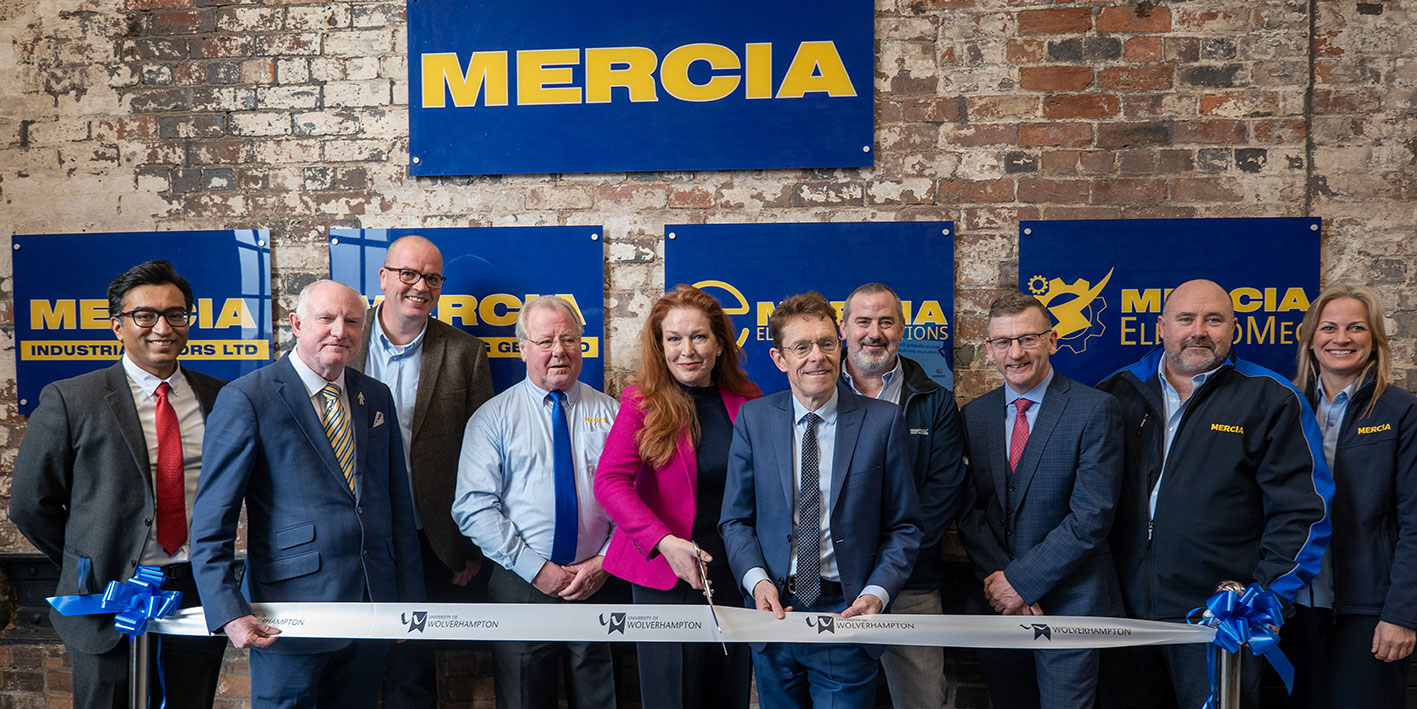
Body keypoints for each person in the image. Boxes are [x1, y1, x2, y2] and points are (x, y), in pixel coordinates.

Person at [1096, 279, 1332, 708]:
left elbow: (1303, 511)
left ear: (1234, 329)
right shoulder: (1115, 394)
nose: (1198, 331)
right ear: (1162, 327)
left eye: (1214, 320)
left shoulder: (1272, 398)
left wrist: (1266, 596)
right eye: (1186, 319)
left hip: (1218, 617)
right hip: (1120, 613)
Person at [189, 280, 423, 708]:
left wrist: (407, 603)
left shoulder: (376, 396)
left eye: (352, 321)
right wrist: (227, 609)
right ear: (296, 324)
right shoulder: (247, 397)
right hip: (288, 613)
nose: (340, 331)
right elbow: (211, 520)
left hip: (372, 606)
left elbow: (398, 506)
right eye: (326, 318)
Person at [10, 260, 228, 709]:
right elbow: (31, 504)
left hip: (196, 589)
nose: (162, 327)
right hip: (108, 594)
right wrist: (87, 557)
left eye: (175, 314)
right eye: (144, 315)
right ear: (117, 326)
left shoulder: (220, 397)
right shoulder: (72, 398)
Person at [719, 291, 922, 709]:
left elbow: (905, 526)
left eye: (827, 343)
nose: (818, 357)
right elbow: (735, 520)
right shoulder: (754, 420)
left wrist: (877, 594)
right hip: (774, 612)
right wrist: (757, 582)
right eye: (802, 347)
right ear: (780, 359)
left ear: (840, 343)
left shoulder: (883, 422)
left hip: (848, 614)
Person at [593, 285, 761, 709]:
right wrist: (665, 543)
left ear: (720, 344)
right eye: (674, 338)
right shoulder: (641, 402)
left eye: (699, 337)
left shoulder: (750, 399)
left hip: (735, 569)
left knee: (729, 692)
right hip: (664, 572)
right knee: (673, 698)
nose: (687, 350)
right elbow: (609, 482)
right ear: (660, 345)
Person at [955, 291, 1123, 709]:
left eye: (1028, 339)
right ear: (989, 350)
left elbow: (1091, 517)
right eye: (1003, 342)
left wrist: (1021, 583)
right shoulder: (975, 415)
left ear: (1052, 340)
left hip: (1072, 603)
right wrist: (1002, 582)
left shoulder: (1096, 409)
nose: (1016, 353)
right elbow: (970, 510)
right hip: (997, 602)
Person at [348, 235, 495, 708]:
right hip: (348, 537)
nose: (420, 286)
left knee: (414, 671)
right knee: (348, 663)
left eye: (432, 278)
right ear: (383, 277)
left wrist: (468, 546)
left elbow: (482, 458)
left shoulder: (465, 352)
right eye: (409, 274)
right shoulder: (342, 338)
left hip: (425, 537)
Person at [452, 295, 619, 709]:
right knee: (524, 699)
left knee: (601, 698)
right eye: (545, 341)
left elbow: (633, 500)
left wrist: (605, 562)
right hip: (519, 581)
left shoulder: (613, 414)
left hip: (597, 581)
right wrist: (536, 569)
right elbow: (473, 508)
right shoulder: (493, 418)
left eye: (569, 339)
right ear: (522, 348)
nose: (558, 351)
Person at [1282, 285, 1417, 709]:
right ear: (1310, 338)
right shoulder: (1283, 406)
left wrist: (1401, 614)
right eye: (1329, 327)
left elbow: (1415, 522)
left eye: (1356, 328)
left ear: (1374, 340)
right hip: (1294, 609)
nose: (1341, 338)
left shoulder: (1400, 412)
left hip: (1368, 610)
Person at [837, 282, 966, 709]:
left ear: (902, 328)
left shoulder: (935, 402)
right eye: (863, 321)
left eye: (886, 321)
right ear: (844, 327)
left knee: (923, 700)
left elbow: (942, 493)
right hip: (829, 583)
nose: (874, 332)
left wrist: (886, 570)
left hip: (911, 583)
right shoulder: (816, 388)